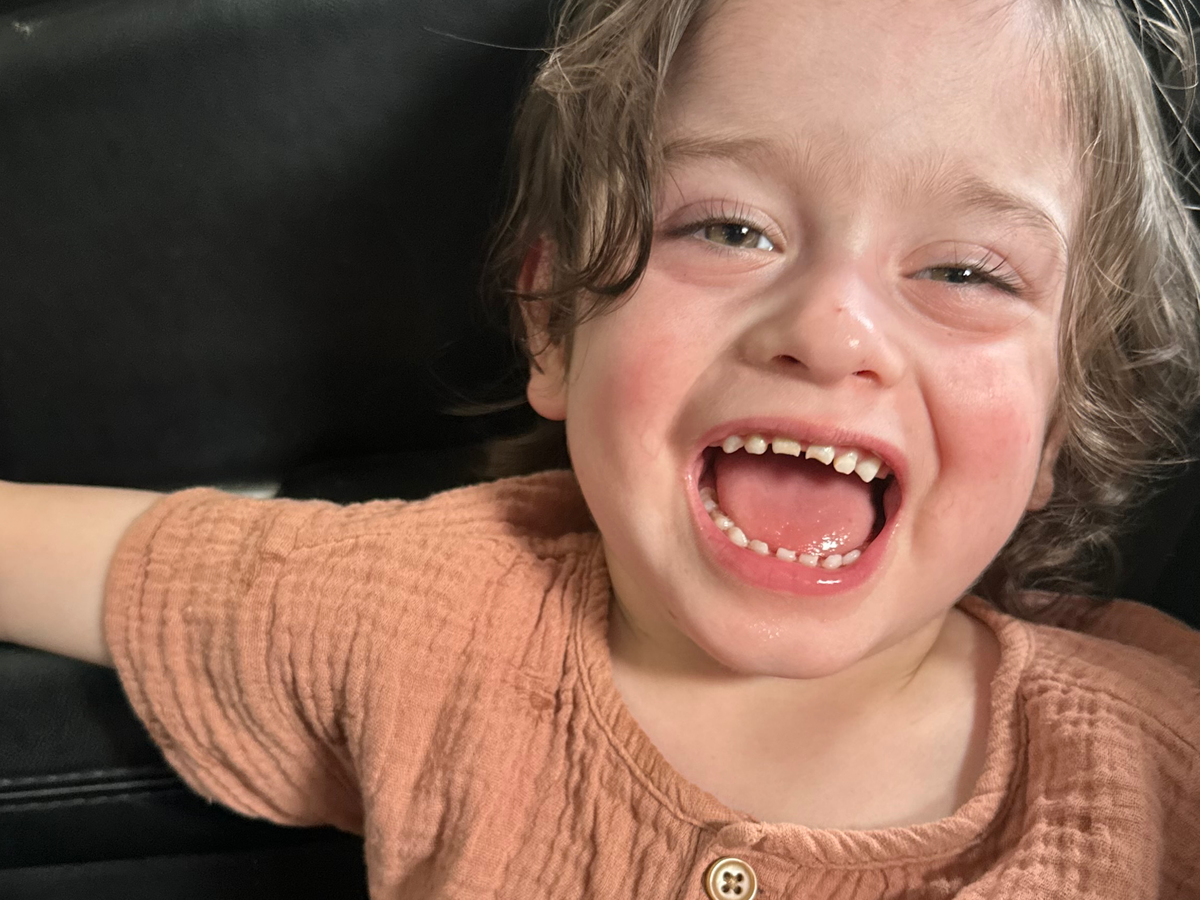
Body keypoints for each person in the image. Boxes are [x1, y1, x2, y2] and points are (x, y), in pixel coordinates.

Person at [2, 0, 1199, 896]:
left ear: (1061, 417)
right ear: (553, 322)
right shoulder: (436, 614)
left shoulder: (1156, 767)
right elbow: (122, 563)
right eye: (728, 228)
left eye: (967, 273)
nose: (831, 331)